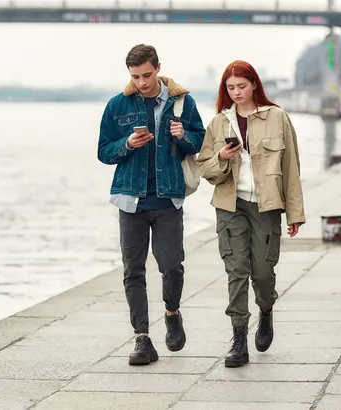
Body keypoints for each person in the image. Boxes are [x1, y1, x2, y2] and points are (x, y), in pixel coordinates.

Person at [97, 44, 205, 366]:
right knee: (133, 271)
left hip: (169, 198)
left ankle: (172, 313)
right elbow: (104, 150)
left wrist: (183, 134)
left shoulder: (182, 103)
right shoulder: (118, 105)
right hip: (130, 201)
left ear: (158, 68)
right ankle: (142, 339)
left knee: (171, 266)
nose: (141, 82)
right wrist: (127, 143)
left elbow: (199, 140)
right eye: (135, 77)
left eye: (146, 75)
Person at [197, 60, 305, 368]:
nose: (236, 93)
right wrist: (220, 156)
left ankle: (266, 310)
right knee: (237, 271)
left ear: (254, 84)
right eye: (230, 88)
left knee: (262, 272)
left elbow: (291, 168)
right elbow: (204, 166)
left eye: (241, 86)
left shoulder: (277, 117)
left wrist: (294, 212)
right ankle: (238, 339)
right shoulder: (220, 122)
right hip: (230, 205)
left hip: (265, 206)